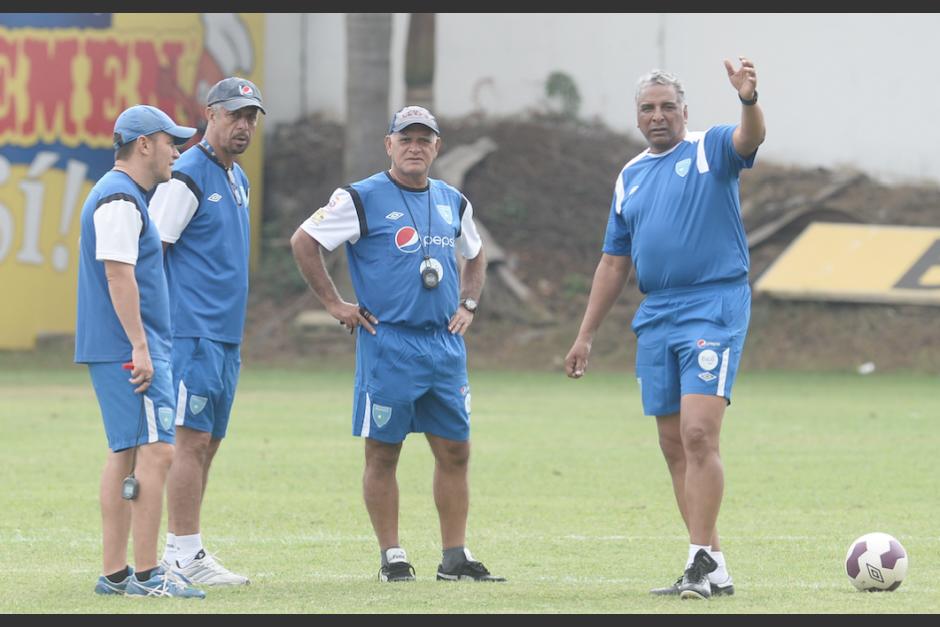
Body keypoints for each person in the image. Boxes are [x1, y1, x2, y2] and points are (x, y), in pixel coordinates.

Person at [564, 58, 766, 600]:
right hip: (657, 313)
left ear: (684, 112)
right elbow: (614, 263)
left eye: (668, 107)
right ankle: (714, 565)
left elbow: (750, 138)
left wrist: (748, 99)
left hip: (713, 304)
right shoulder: (629, 176)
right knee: (673, 444)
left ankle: (696, 559)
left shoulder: (709, 148)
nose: (658, 116)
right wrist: (585, 334)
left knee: (699, 434)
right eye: (648, 108)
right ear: (636, 117)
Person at [289, 105, 505, 583]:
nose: (414, 147)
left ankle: (454, 557)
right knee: (384, 453)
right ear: (388, 145)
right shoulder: (360, 198)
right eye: (405, 139)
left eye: (424, 139)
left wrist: (468, 304)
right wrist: (335, 303)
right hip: (388, 343)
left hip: (444, 346)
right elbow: (304, 241)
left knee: (456, 452)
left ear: (437, 147)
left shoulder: (453, 201)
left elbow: (475, 254)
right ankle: (393, 555)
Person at [75, 104, 204, 598]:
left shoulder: (123, 195)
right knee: (158, 451)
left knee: (126, 454)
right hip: (128, 348)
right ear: (144, 144)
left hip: (120, 346)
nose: (178, 151)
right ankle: (149, 576)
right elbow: (117, 274)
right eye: (171, 142)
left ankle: (115, 575)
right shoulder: (120, 197)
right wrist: (140, 346)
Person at [147, 77, 265, 586]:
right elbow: (153, 250)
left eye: (251, 117)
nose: (243, 125)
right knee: (190, 441)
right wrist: (153, 328)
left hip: (224, 336)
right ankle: (181, 554)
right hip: (189, 333)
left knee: (209, 441)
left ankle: (185, 548)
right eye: (234, 114)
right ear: (210, 114)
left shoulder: (237, 178)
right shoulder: (187, 175)